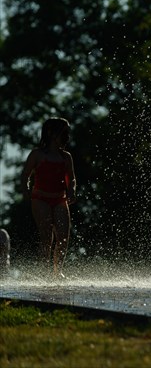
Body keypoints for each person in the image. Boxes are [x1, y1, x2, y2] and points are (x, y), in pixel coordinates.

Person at [21, 117, 77, 278]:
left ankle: (57, 271)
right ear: (51, 133)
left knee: (63, 237)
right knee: (46, 235)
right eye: (64, 132)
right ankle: (44, 272)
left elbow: (71, 178)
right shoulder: (37, 154)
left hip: (60, 199)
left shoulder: (66, 157)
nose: (67, 136)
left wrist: (72, 190)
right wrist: (25, 189)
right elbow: (25, 174)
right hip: (40, 199)